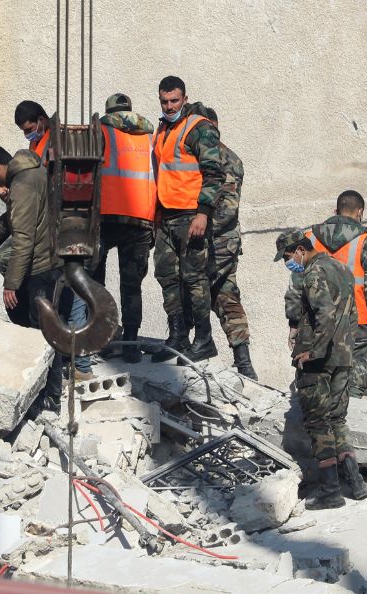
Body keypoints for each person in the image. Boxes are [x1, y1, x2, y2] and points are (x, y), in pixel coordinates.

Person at [276, 228, 367, 510]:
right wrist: (346, 349)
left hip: (320, 362)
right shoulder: (341, 268)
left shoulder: (313, 272)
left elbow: (325, 313)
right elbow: (351, 316)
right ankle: (355, 482)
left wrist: (312, 350)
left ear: (301, 250)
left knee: (318, 423)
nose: (287, 263)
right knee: (337, 419)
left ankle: (330, 490)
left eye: (288, 256)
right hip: (343, 356)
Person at [0, 145, 66, 413]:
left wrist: (10, 283)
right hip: (49, 262)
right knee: (41, 326)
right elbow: (8, 223)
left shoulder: (22, 184)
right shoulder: (33, 174)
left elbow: (23, 238)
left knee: (43, 331)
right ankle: (46, 389)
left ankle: (50, 396)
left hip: (40, 267)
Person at [14, 99, 92, 379]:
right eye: (24, 131)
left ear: (42, 120)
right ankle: (71, 364)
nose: (28, 135)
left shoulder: (59, 139)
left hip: (68, 226)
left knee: (75, 295)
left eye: (30, 128)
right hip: (55, 228)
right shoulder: (41, 144)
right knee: (68, 295)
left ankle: (80, 366)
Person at [285, 190, 367, 397]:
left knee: (315, 384)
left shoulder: (308, 240)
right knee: (353, 387)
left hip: (315, 322)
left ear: (335, 211)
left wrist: (294, 323)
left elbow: (296, 284)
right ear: (360, 212)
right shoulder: (366, 242)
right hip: (358, 324)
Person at [150, 76, 225, 364]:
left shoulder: (198, 128)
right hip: (167, 215)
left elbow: (214, 173)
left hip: (190, 216)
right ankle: (178, 336)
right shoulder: (165, 128)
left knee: (195, 279)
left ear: (184, 99)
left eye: (174, 101)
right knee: (167, 276)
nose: (169, 106)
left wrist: (203, 213)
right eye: (164, 101)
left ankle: (204, 340)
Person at [89, 93, 156, 364]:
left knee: (96, 281)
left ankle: (103, 337)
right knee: (132, 286)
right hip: (140, 218)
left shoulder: (101, 130)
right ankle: (130, 343)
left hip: (105, 217)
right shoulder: (149, 137)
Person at [197, 106, 256, 379]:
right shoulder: (228, 156)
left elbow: (227, 209)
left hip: (216, 242)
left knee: (194, 293)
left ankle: (195, 349)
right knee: (226, 296)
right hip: (224, 242)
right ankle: (243, 361)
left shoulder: (222, 159)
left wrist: (199, 226)